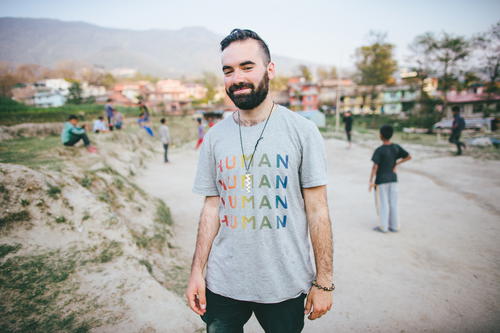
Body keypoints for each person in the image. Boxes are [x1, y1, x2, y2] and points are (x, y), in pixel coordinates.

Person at [187, 29, 334, 333]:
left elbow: (318, 209)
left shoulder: (302, 132)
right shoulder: (215, 138)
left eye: (246, 66)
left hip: (284, 282)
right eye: (228, 70)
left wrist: (325, 282)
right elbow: (211, 209)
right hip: (223, 281)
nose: (236, 77)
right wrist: (196, 272)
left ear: (270, 69)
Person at [368, 125, 411, 233]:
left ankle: (383, 227)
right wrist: (396, 163)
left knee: (383, 204)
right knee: (393, 203)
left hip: (381, 181)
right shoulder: (396, 147)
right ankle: (395, 226)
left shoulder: (379, 150)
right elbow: (408, 156)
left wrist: (371, 180)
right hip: (393, 179)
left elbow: (375, 167)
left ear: (380, 135)